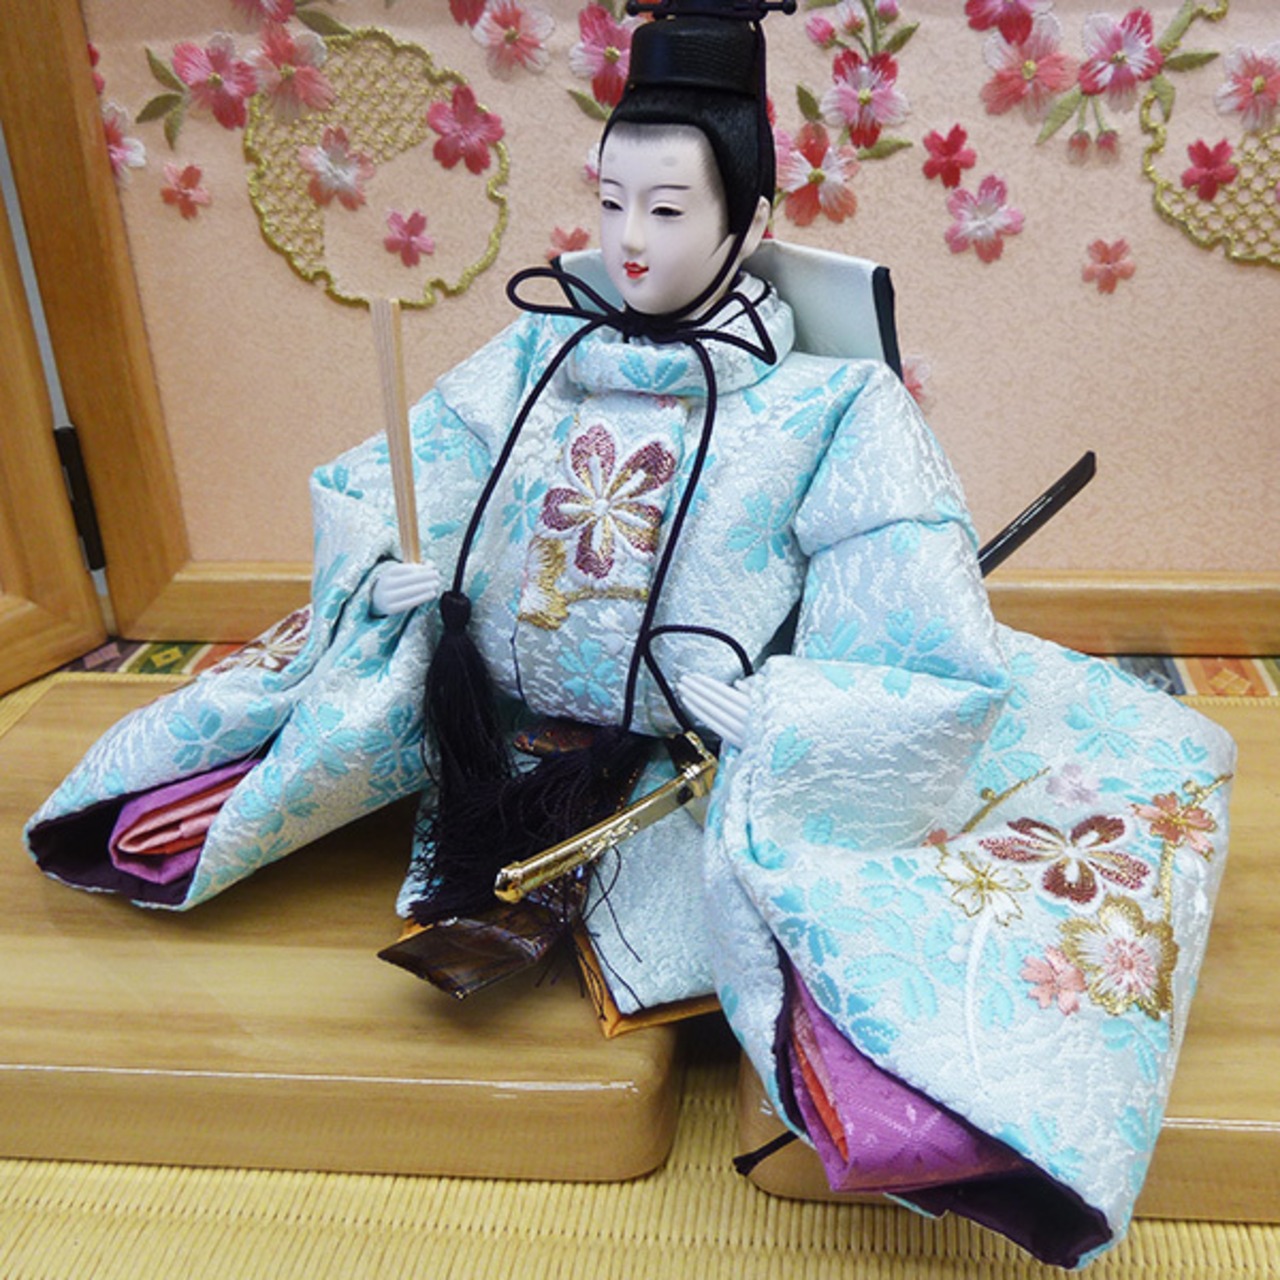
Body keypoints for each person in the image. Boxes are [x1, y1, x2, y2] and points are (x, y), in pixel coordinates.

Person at [27, 2, 1234, 1266]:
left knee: (985, 871)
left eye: (665, 208)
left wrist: (776, 696)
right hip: (494, 733)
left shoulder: (834, 404)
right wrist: (391, 568)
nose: (628, 241)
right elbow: (413, 472)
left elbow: (907, 615)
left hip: (688, 767)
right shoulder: (537, 348)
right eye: (609, 202)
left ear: (747, 221)